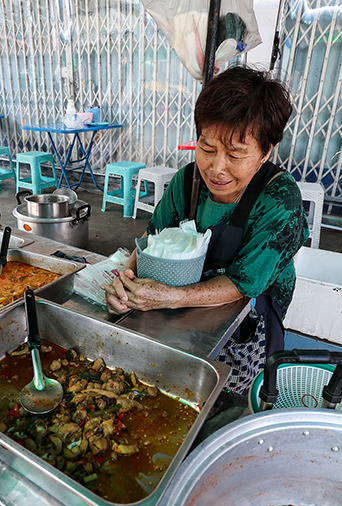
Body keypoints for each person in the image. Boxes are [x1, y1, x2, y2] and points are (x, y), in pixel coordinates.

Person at [102, 66, 309, 396]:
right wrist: (124, 284)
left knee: (227, 395)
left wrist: (174, 297)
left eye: (236, 154)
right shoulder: (187, 182)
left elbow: (244, 284)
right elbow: (149, 241)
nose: (217, 168)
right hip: (183, 312)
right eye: (207, 148)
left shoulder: (280, 200)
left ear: (266, 151)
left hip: (249, 318)